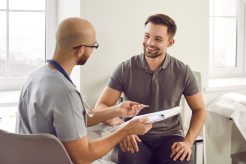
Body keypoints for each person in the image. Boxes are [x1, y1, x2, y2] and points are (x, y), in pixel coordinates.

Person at [15, 17, 152, 164]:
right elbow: (82, 156)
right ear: (81, 50)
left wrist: (117, 110)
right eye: (94, 46)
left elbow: (72, 121)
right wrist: (126, 130)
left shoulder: (36, 75)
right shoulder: (65, 93)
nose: (93, 50)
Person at [95, 14, 206, 164]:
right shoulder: (125, 68)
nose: (149, 42)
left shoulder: (183, 72)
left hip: (170, 137)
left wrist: (188, 142)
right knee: (131, 159)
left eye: (158, 39)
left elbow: (199, 109)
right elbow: (101, 107)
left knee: (182, 161)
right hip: (133, 134)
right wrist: (123, 127)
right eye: (147, 36)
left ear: (170, 42)